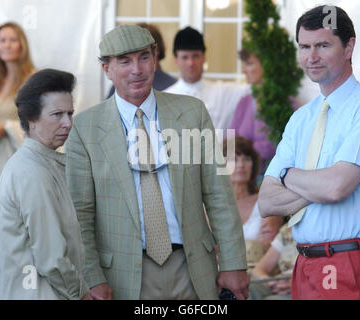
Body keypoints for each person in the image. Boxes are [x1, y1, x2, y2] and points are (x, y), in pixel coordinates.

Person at [66, 24, 249, 300]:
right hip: (123, 274)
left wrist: (234, 263)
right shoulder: (84, 127)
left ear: (155, 59)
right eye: (124, 61)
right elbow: (81, 214)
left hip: (192, 267)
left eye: (143, 57)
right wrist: (91, 277)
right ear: (107, 69)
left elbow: (219, 194)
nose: (136, 69)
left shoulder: (191, 112)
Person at [258, 5, 360, 300]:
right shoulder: (301, 119)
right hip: (305, 262)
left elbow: (336, 188)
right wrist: (318, 183)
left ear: (349, 47)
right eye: (305, 47)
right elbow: (267, 201)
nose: (312, 57)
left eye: (323, 45)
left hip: (348, 260)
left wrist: (288, 175)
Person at [0, 69, 91, 300]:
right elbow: (52, 258)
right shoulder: (32, 172)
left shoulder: (40, 163)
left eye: (70, 113)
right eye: (57, 114)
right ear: (31, 120)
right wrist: (82, 295)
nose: (67, 123)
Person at [0, 22, 35, 242]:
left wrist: (7, 128)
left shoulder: (33, 78)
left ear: (21, 45)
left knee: (18, 219)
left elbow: (38, 122)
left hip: (20, 159)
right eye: (2, 40)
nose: (6, 45)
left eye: (12, 40)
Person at [165, 26, 248, 131]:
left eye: (195, 56)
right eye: (185, 57)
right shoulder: (165, 100)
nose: (190, 63)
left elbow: (254, 88)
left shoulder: (223, 93)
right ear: (176, 60)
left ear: (204, 57)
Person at [223, 136, 283, 266]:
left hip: (257, 273)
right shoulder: (211, 206)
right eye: (234, 159)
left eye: (246, 159)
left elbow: (270, 246)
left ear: (253, 164)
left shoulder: (267, 199)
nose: (241, 165)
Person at [228, 49, 277, 172]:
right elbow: (230, 144)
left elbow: (279, 146)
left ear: (266, 65)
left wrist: (245, 147)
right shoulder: (244, 102)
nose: (244, 70)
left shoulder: (285, 104)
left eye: (249, 63)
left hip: (271, 179)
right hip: (241, 176)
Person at [107, 23, 176, 97]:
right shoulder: (118, 86)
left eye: (143, 57)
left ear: (156, 52)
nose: (136, 70)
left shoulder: (173, 88)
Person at [250, 225, 297, 300]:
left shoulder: (317, 231)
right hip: (280, 284)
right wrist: (272, 282)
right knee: (248, 289)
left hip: (302, 286)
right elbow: (259, 269)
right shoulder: (287, 231)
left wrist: (295, 283)